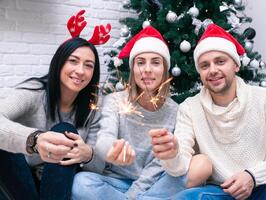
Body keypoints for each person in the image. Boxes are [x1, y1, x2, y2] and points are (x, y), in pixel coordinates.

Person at [149, 24, 266, 200]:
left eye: (220, 61)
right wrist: (172, 154)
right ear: (200, 73)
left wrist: (252, 176)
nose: (213, 70)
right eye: (205, 65)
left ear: (236, 65)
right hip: (222, 192)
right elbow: (181, 166)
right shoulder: (189, 108)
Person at [72, 26, 212, 200]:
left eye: (155, 62)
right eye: (140, 62)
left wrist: (133, 195)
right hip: (115, 182)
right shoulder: (115, 101)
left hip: (155, 183)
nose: (147, 69)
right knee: (80, 182)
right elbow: (104, 139)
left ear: (165, 70)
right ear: (133, 69)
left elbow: (160, 165)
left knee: (196, 169)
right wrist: (111, 150)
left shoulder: (176, 111)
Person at [0, 10, 111, 200]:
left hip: (60, 182)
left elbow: (98, 167)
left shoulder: (95, 105)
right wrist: (34, 140)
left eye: (89, 65)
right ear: (59, 63)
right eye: (73, 61)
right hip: (21, 179)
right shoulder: (34, 92)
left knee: (64, 131)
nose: (80, 71)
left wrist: (89, 154)